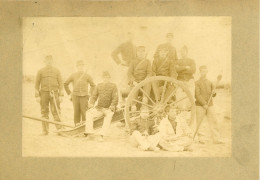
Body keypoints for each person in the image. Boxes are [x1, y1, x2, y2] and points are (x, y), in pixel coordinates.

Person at [84, 71, 118, 142]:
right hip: (99, 108)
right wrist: (91, 103)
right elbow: (94, 96)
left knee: (108, 118)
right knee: (88, 113)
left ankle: (101, 135)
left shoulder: (113, 86)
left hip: (108, 109)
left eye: (107, 77)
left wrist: (112, 106)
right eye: (104, 77)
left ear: (109, 78)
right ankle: (90, 133)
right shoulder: (98, 85)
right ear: (102, 78)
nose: (106, 79)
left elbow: (115, 98)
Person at [35, 55, 64, 135]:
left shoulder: (57, 71)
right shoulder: (40, 71)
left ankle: (60, 130)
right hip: (43, 94)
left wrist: (61, 95)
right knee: (44, 112)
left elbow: (61, 83)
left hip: (54, 93)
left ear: (52, 61)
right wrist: (37, 96)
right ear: (45, 61)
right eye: (47, 60)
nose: (49, 62)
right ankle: (45, 131)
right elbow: (36, 84)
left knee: (56, 111)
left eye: (50, 60)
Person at [195, 66, 224, 144]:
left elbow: (213, 94)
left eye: (205, 71)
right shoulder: (197, 83)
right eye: (202, 71)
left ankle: (216, 139)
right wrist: (204, 104)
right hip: (200, 105)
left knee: (213, 121)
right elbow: (197, 95)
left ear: (207, 72)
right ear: (200, 72)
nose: (204, 73)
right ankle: (201, 139)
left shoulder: (210, 82)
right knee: (200, 122)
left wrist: (214, 93)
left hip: (210, 105)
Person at [64, 60, 96, 126]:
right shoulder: (73, 75)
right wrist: (69, 94)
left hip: (84, 96)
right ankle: (77, 127)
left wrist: (89, 93)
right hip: (75, 96)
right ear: (77, 67)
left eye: (82, 66)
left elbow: (93, 85)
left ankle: (85, 129)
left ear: (83, 66)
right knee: (76, 112)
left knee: (84, 113)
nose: (80, 67)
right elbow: (65, 84)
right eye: (79, 66)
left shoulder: (87, 75)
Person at [111, 32, 136, 107]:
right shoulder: (123, 45)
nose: (130, 37)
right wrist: (119, 62)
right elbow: (113, 53)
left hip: (133, 68)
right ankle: (121, 102)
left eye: (132, 35)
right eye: (129, 35)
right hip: (125, 67)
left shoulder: (134, 46)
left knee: (131, 84)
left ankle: (130, 102)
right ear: (127, 36)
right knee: (122, 85)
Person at [128, 45, 152, 110]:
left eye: (142, 51)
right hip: (135, 81)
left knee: (148, 83)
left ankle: (144, 103)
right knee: (134, 88)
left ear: (145, 53)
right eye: (139, 51)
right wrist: (133, 81)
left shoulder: (147, 61)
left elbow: (149, 72)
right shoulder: (133, 62)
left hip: (144, 81)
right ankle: (133, 106)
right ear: (136, 53)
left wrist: (145, 80)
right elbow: (129, 73)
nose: (141, 53)